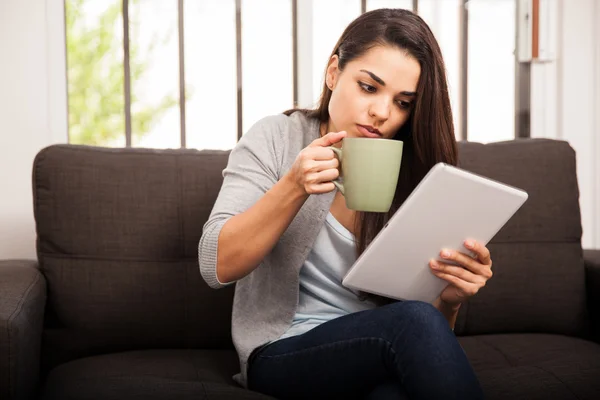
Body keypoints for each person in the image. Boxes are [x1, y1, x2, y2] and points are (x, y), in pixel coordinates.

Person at [199, 8, 492, 400]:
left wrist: (450, 302)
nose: (382, 113)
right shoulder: (277, 137)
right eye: (369, 87)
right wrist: (294, 187)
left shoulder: (413, 170)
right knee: (412, 323)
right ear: (334, 71)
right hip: (283, 349)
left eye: (403, 102)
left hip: (381, 348)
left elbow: (429, 334)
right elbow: (215, 265)